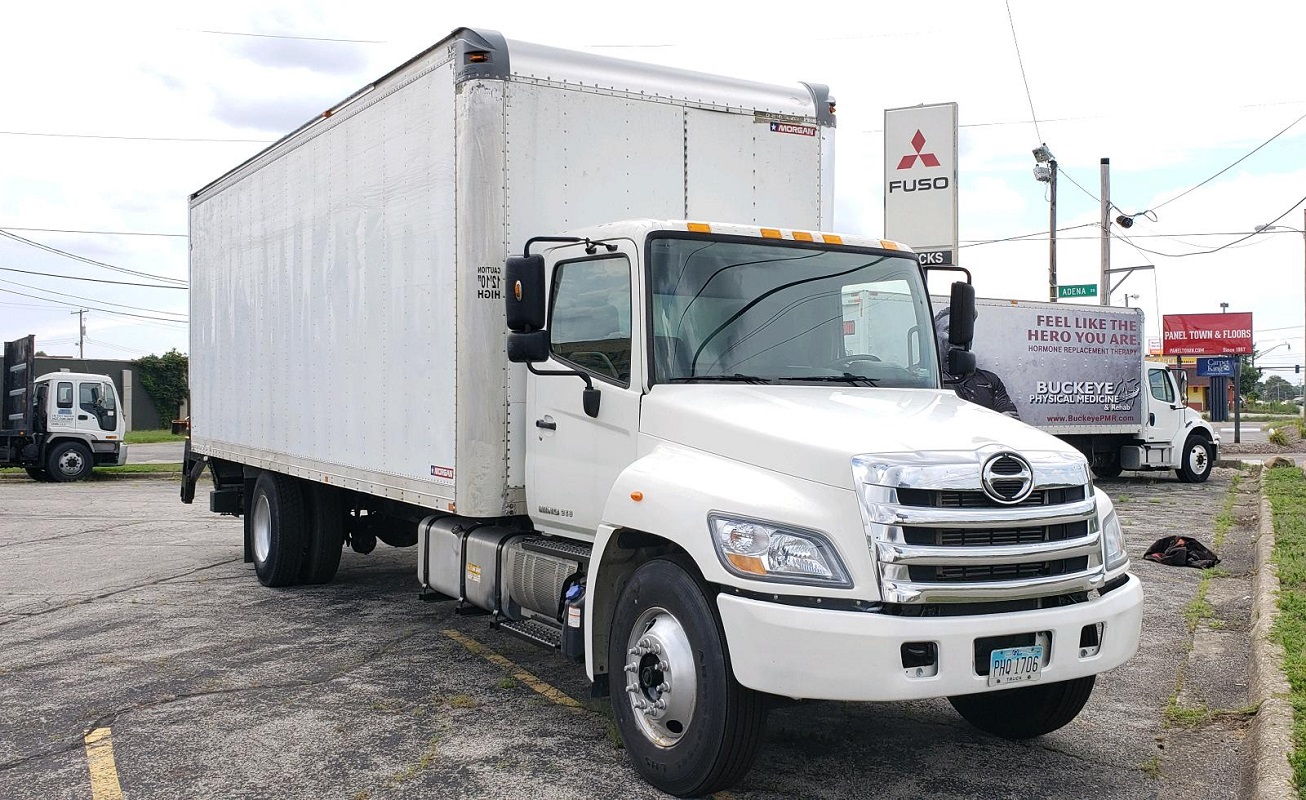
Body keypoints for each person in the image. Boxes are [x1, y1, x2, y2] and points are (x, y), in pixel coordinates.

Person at [934, 308, 1020, 419]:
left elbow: (1011, 420)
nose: (959, 338)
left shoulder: (990, 380)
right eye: (950, 330)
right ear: (934, 336)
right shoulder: (924, 380)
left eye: (965, 333)